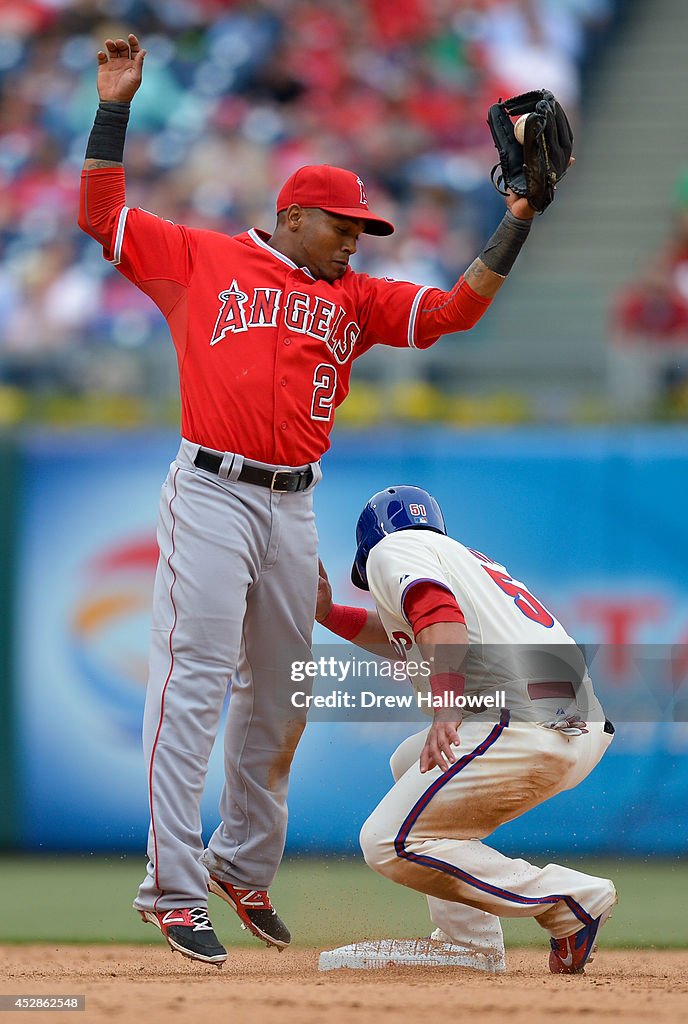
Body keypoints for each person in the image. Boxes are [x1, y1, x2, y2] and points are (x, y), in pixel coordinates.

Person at [78, 33, 544, 967]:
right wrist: (117, 103)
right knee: (194, 679)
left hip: (293, 504)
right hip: (210, 488)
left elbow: (456, 311)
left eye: (361, 231)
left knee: (282, 696)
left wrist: (519, 217)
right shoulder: (197, 259)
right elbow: (100, 213)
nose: (355, 240)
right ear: (294, 217)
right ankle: (169, 891)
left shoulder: (355, 299)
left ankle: (241, 868)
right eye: (343, 227)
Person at [316, 485, 617, 974]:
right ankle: (468, 941)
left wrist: (446, 709)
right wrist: (328, 614)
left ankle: (570, 901)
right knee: (408, 765)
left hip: (521, 719)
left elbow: (439, 616)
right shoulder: (463, 559)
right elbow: (413, 636)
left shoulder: (393, 548)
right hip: (574, 725)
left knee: (387, 841)